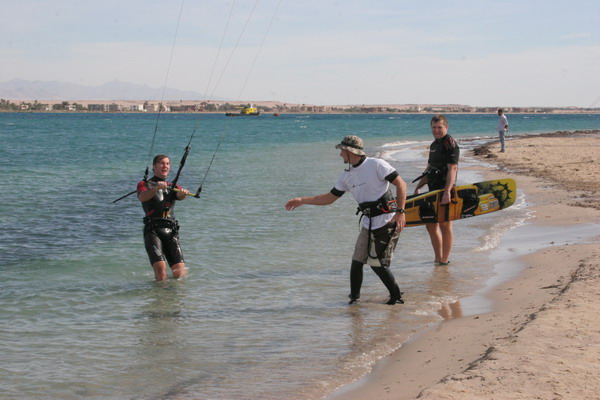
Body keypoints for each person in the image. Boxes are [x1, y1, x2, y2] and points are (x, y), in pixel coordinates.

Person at [285, 135, 407, 305]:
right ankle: (354, 300)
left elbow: (401, 184)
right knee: (357, 260)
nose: (340, 154)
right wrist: (302, 201)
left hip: (387, 220)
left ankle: (396, 296)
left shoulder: (376, 164)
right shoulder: (346, 176)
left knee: (377, 264)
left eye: (342, 150)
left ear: (351, 151)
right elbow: (328, 198)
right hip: (368, 223)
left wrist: (400, 212)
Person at [413, 115, 460, 266]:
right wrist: (419, 186)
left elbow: (452, 169)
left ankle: (444, 260)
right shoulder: (434, 145)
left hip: (446, 190)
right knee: (431, 225)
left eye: (440, 127)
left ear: (446, 127)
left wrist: (447, 191)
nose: (437, 130)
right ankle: (437, 258)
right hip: (432, 190)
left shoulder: (450, 143)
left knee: (445, 226)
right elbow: (429, 169)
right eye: (434, 127)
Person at [137, 154, 190, 281]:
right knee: (161, 272)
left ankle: (176, 299)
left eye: (167, 164)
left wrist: (184, 194)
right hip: (153, 230)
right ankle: (160, 299)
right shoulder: (144, 184)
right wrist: (156, 188)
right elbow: (142, 197)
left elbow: (180, 197)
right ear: (154, 166)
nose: (165, 166)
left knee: (180, 273)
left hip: (171, 230)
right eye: (161, 163)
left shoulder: (173, 186)